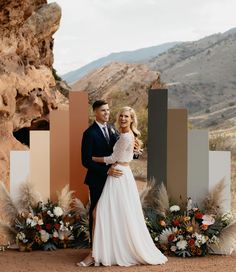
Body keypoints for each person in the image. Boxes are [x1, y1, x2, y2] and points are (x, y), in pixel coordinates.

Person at [91, 106, 168, 266]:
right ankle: (109, 250)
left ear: (132, 119)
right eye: (121, 116)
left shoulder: (126, 136)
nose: (123, 119)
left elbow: (113, 158)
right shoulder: (126, 135)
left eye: (127, 116)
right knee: (118, 213)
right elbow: (129, 153)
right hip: (123, 173)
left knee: (103, 212)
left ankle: (105, 252)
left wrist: (93, 158)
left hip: (118, 175)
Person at [78, 101, 141, 266]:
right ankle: (94, 252)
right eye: (103, 110)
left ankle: (110, 250)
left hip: (117, 178)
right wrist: (105, 170)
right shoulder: (89, 133)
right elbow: (85, 160)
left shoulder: (114, 129)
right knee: (96, 214)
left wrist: (135, 153)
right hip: (99, 178)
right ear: (95, 113)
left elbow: (122, 152)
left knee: (114, 215)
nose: (107, 113)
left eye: (108, 110)